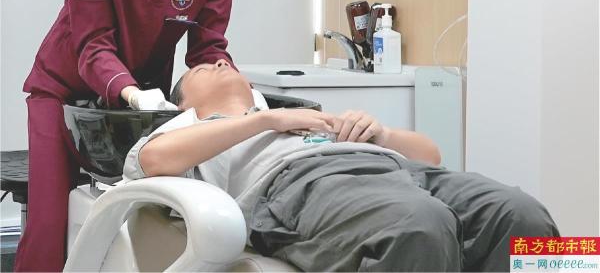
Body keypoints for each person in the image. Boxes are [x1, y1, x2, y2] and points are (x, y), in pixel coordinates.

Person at [16, 0, 236, 272]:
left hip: (144, 102)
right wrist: (130, 91)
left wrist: (231, 95)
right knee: (50, 220)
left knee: (139, 215)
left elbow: (209, 48)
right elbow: (92, 43)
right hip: (63, 89)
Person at [123, 61, 560, 272]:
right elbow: (151, 160)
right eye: (203, 67)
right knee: (420, 226)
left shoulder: (304, 114)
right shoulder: (192, 124)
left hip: (395, 171)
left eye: (225, 61)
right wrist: (266, 121)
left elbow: (430, 154)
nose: (222, 61)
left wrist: (380, 134)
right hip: (304, 185)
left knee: (522, 214)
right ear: (184, 101)